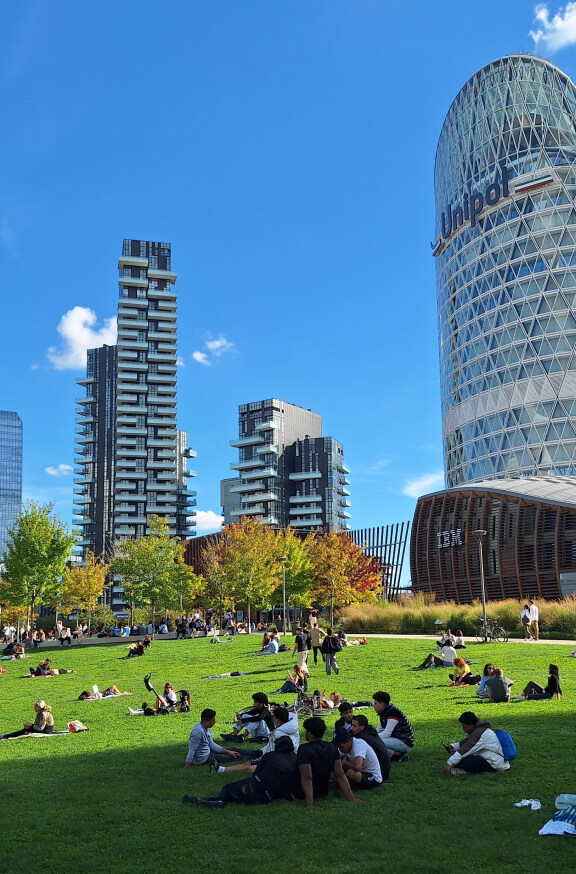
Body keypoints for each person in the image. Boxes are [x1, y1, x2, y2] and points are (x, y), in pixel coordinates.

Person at [183, 736, 298, 807]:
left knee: (228, 789)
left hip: (257, 788)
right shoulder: (295, 759)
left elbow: (257, 773)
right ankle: (205, 801)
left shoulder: (271, 756)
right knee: (236, 796)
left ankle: (218, 801)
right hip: (272, 796)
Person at [291, 716, 361, 806]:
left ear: (309, 733)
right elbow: (340, 774)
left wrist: (310, 804)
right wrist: (351, 798)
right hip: (322, 791)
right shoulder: (332, 747)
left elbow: (307, 777)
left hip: (301, 793)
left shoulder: (304, 749)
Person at [212, 707, 300, 774]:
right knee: (238, 750)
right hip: (264, 751)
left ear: (277, 720)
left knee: (243, 760)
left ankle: (220, 767)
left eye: (274, 718)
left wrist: (262, 758)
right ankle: (215, 752)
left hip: (267, 756)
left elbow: (275, 752)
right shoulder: (290, 727)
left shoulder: (280, 733)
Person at [443, 711, 510, 775]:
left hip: (495, 764)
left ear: (471, 725)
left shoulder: (480, 733)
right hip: (492, 759)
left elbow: (467, 749)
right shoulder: (479, 730)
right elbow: (468, 742)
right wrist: (454, 747)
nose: (463, 729)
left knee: (465, 760)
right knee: (461, 759)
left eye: (464, 726)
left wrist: (450, 763)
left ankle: (464, 771)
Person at [184, 709, 251, 767]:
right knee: (232, 756)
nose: (214, 722)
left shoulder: (206, 728)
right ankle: (253, 758)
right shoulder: (198, 732)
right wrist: (186, 766)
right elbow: (191, 750)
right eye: (213, 721)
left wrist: (228, 751)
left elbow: (212, 744)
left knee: (233, 749)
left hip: (209, 752)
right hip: (204, 759)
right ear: (206, 721)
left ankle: (257, 753)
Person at [372, 691, 414, 761]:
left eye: (375, 703)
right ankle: (396, 755)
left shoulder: (392, 712)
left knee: (375, 743)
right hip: (395, 739)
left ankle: (398, 755)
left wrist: (373, 739)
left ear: (382, 704)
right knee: (374, 743)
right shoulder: (384, 712)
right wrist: (370, 736)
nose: (374, 705)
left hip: (403, 741)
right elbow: (379, 729)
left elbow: (387, 732)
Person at [350, 714, 391, 782]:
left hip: (379, 773)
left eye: (354, 726)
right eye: (352, 725)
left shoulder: (362, 739)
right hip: (384, 770)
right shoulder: (371, 733)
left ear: (362, 727)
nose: (351, 728)